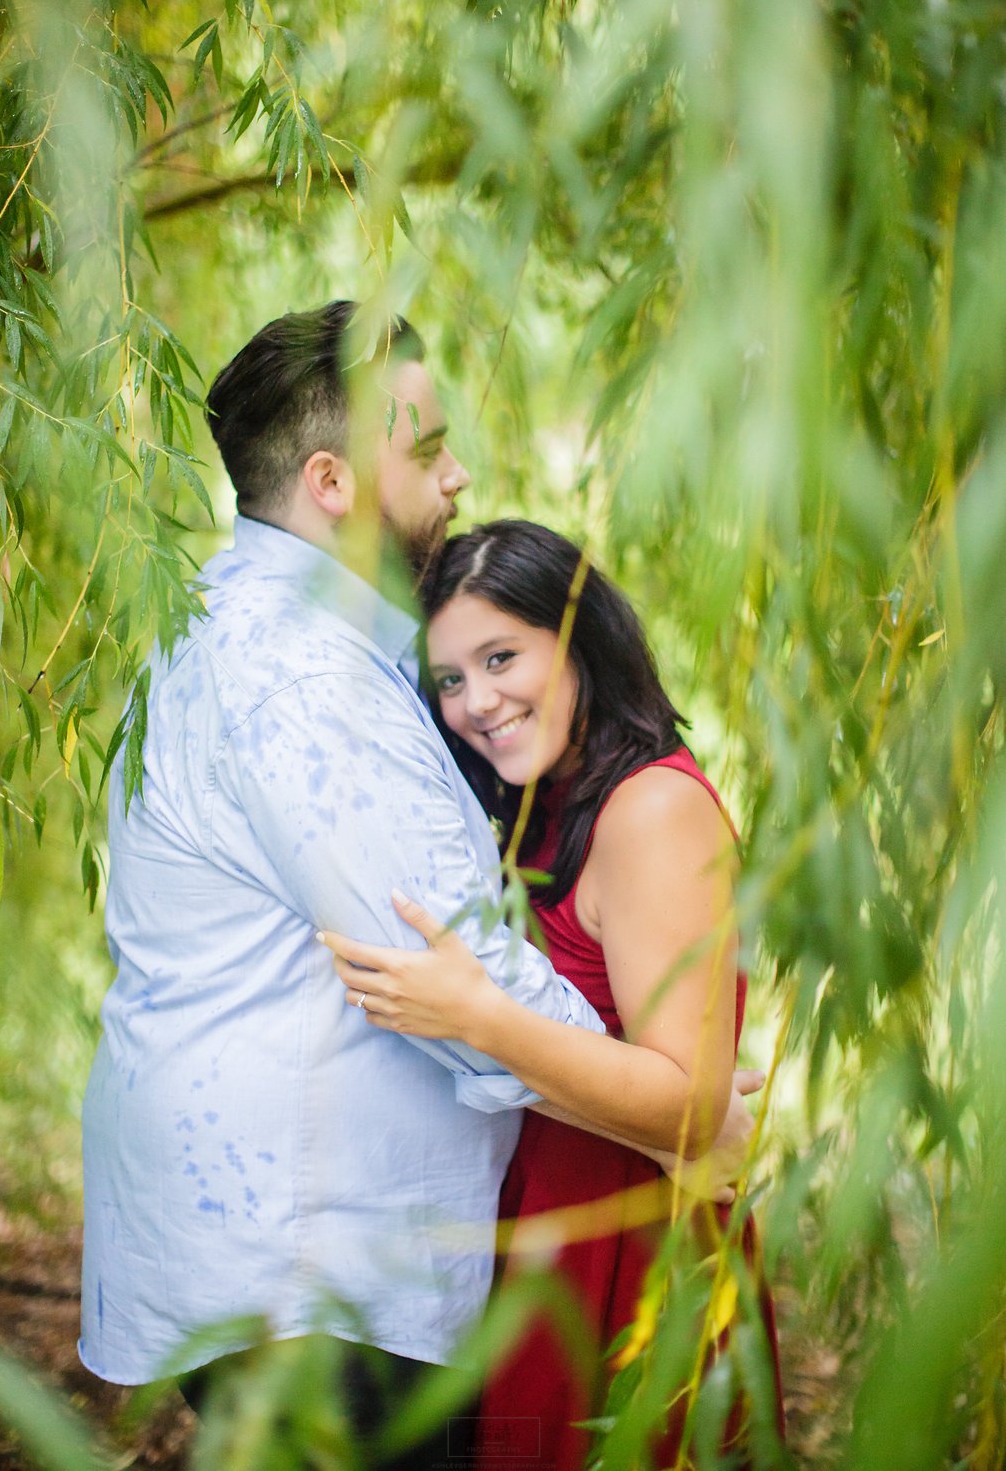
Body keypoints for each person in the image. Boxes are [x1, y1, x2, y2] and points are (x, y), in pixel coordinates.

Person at [78, 304, 757, 1466]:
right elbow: (451, 969)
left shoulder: (247, 630)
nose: (457, 477)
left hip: (292, 1254)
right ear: (333, 482)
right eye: (428, 448)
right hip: (314, 1267)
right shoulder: (301, 678)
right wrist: (677, 1107)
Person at [324, 520, 785, 1469]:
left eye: (501, 658)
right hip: (546, 1224)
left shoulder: (653, 811)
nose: (478, 702)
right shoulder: (539, 807)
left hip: (629, 1252)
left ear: (581, 643)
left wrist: (476, 1018)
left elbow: (691, 1110)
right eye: (450, 679)